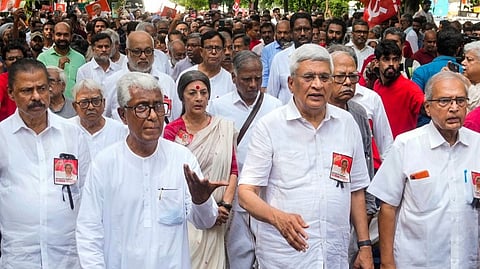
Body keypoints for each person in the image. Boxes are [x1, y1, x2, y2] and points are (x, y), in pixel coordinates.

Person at [238, 44, 373, 268]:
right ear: (291, 83)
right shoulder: (270, 127)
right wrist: (277, 218)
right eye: (309, 77)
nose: (317, 85)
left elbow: (356, 190)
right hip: (284, 255)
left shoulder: (347, 123)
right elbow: (246, 194)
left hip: (333, 254)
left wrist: (365, 245)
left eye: (324, 77)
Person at [76, 72, 226, 269]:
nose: (153, 116)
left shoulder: (182, 159)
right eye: (141, 108)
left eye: (158, 106)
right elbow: (89, 230)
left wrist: (202, 201)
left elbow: (205, 222)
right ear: (123, 115)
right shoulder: (105, 164)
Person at [367, 71, 480, 268]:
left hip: (466, 260)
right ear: (428, 107)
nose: (454, 108)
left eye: (460, 101)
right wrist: (386, 262)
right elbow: (388, 208)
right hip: (417, 261)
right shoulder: (406, 145)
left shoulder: (477, 145)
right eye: (444, 101)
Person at [0, 58, 89, 268]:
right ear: (11, 93)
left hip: (67, 256)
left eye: (42, 88)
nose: (36, 97)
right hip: (20, 257)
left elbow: (86, 191)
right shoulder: (2, 136)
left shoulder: (73, 134)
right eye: (27, 90)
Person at [208, 51, 282, 269]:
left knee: (269, 249)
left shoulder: (276, 106)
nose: (252, 84)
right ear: (234, 78)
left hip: (268, 193)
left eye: (257, 79)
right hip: (235, 193)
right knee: (239, 250)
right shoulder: (218, 107)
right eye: (246, 79)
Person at [163, 70, 238, 269]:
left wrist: (225, 206)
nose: (199, 98)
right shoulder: (171, 131)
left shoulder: (223, 127)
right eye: (192, 93)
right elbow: (168, 174)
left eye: (204, 93)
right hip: (186, 215)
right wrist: (203, 210)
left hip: (220, 213)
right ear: (181, 96)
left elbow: (233, 170)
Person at [373, 40, 424, 138]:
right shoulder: (377, 84)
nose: (391, 64)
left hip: (404, 148)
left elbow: (430, 110)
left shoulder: (410, 88)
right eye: (386, 59)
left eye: (395, 59)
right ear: (377, 62)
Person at [70, 79, 127, 157]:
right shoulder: (66, 129)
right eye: (84, 102)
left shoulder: (119, 130)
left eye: (95, 101)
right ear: (74, 106)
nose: (91, 107)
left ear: (104, 103)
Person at [268, 12, 313, 104]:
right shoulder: (279, 59)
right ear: (292, 32)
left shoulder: (323, 57)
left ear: (312, 31)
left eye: (306, 29)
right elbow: (271, 95)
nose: (303, 33)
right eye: (298, 29)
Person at [178, 31, 235, 100]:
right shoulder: (186, 75)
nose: (213, 52)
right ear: (201, 51)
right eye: (209, 48)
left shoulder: (230, 80)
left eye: (217, 48)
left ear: (223, 52)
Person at [37, 22, 86, 99]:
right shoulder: (43, 58)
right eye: (59, 34)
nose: (62, 38)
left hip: (75, 106)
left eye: (66, 35)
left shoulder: (80, 58)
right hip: (50, 105)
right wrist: (59, 70)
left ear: (71, 37)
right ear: (53, 36)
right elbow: (39, 84)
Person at [261, 20, 291, 92]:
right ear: (275, 33)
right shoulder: (267, 50)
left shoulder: (295, 48)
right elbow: (265, 74)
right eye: (279, 33)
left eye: (285, 33)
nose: (282, 36)